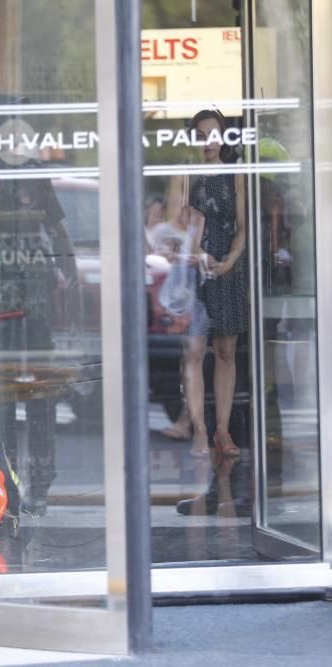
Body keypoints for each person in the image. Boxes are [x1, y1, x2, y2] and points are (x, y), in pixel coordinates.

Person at [166, 108, 248, 458]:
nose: (208, 141)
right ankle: (199, 428)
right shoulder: (184, 174)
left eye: (214, 133)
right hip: (192, 267)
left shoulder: (234, 174)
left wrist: (230, 259)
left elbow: (244, 225)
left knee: (227, 351)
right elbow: (173, 224)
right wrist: (202, 254)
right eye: (200, 134)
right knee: (195, 350)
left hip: (227, 268)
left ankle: (222, 430)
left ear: (224, 136)